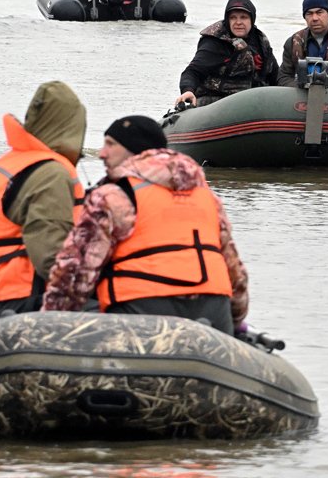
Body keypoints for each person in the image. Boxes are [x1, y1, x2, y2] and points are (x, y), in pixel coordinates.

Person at [42, 115, 249, 335]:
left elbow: (75, 272)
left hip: (141, 316)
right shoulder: (207, 198)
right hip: (213, 314)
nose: (102, 153)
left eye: (111, 144)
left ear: (135, 150)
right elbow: (235, 273)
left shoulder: (113, 197)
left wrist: (50, 326)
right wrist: (235, 320)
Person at [0, 81, 86, 319]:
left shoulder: (10, 163)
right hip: (30, 298)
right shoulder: (51, 174)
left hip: (1, 294)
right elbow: (50, 253)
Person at [176, 0, 279, 107]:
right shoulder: (215, 42)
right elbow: (193, 71)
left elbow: (275, 76)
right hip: (217, 102)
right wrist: (188, 90)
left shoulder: (260, 42)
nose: (238, 22)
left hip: (253, 101)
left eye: (243, 17)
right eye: (233, 18)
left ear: (252, 19)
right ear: (227, 20)